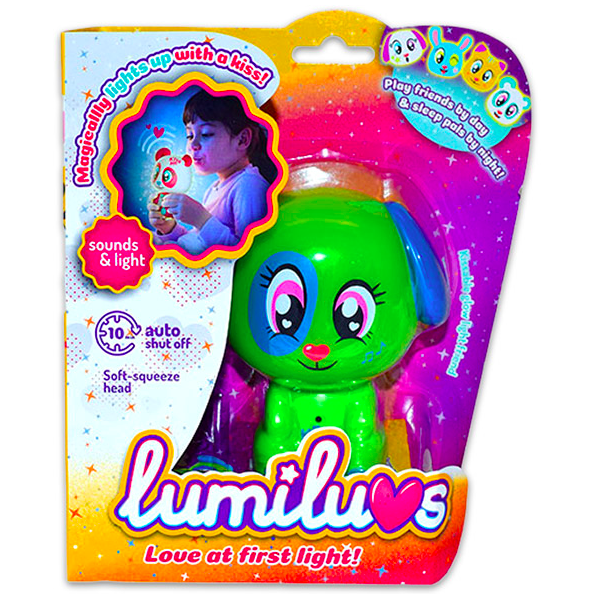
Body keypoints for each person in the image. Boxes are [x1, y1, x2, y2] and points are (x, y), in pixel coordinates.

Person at [148, 90, 277, 255]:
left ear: (242, 139)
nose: (193, 145)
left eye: (206, 134)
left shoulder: (249, 185)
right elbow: (199, 240)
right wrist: (170, 229)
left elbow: (248, 253)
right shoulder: (215, 188)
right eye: (190, 135)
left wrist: (200, 218)